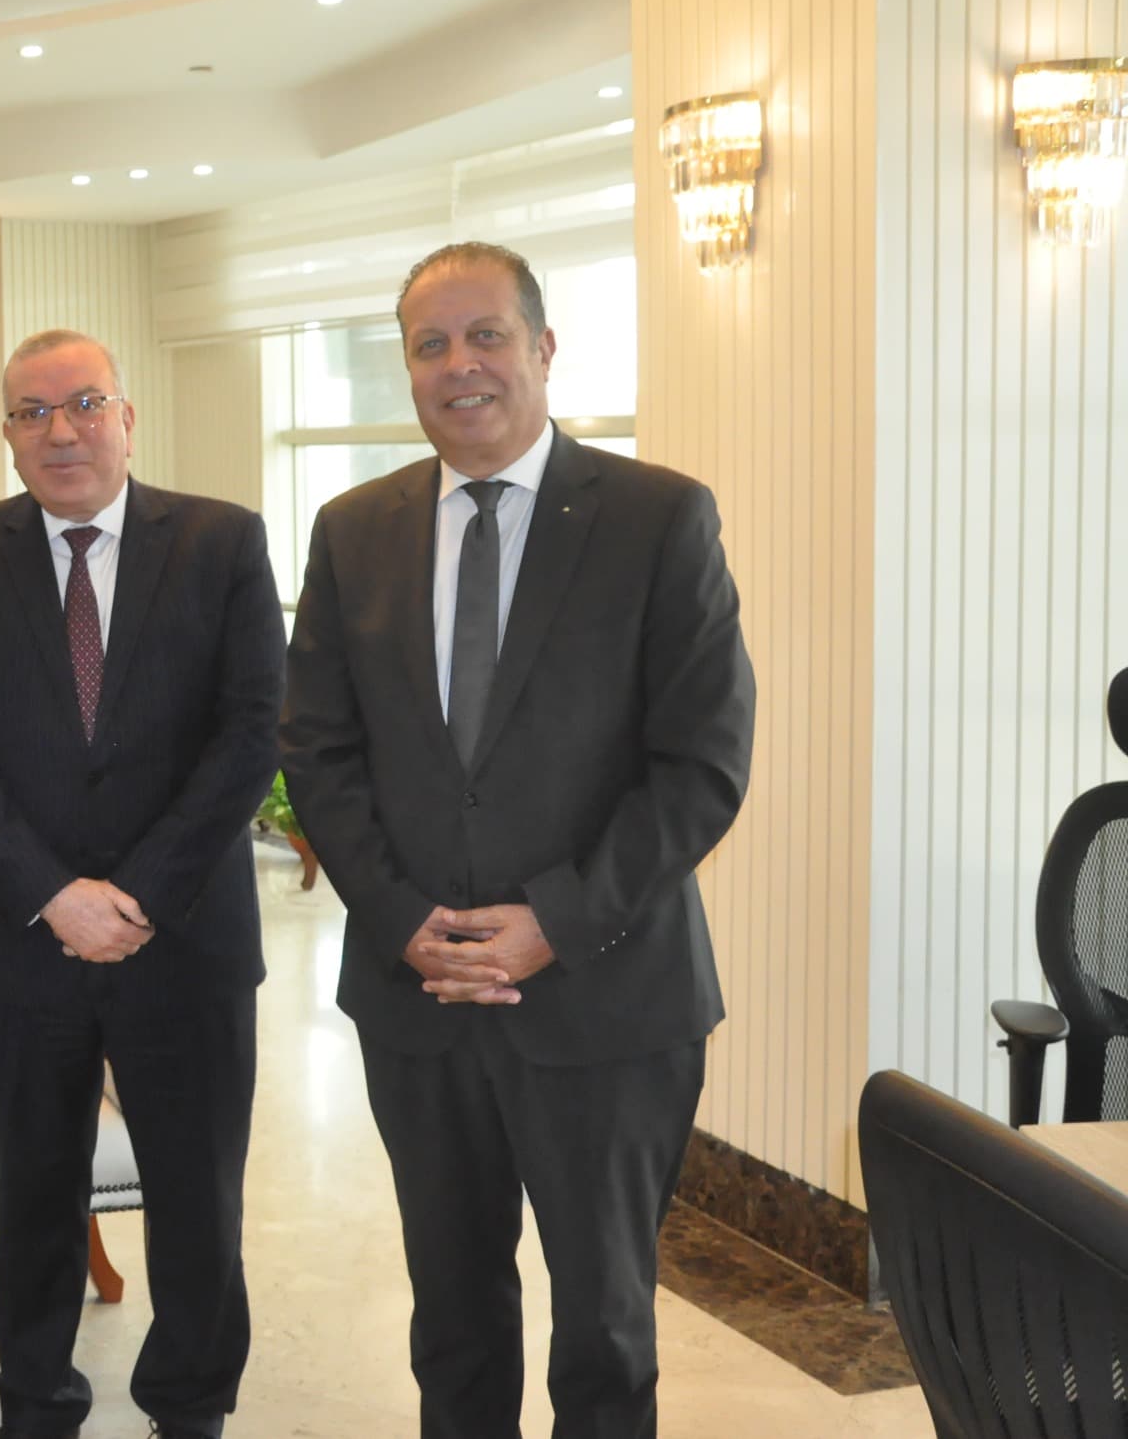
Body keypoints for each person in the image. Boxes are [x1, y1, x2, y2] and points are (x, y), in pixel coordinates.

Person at [280, 241, 755, 1439]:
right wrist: (402, 919)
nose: (460, 365)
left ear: (542, 348)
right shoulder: (352, 529)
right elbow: (319, 752)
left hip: (607, 1000)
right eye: (430, 344)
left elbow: (700, 762)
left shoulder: (657, 518)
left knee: (603, 1328)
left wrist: (555, 920)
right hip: (417, 997)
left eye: (485, 335)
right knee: (451, 1320)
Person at [0, 330, 283, 1439]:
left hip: (188, 941)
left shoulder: (221, 540)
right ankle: (36, 1405)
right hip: (28, 944)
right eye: (31, 412)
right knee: (37, 1196)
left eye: (82, 404)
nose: (59, 430)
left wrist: (138, 895)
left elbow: (252, 731)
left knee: (198, 1202)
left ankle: (190, 1409)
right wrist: (53, 893)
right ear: (7, 434)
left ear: (126, 416)